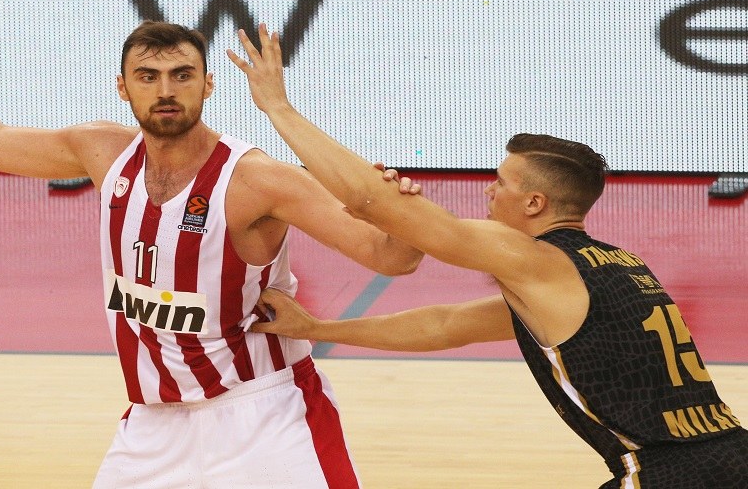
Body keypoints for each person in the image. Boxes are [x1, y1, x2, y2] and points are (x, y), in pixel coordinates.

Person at [0, 0, 423, 488]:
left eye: (182, 76)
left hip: (264, 414)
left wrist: (402, 212)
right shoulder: (102, 152)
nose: (165, 91)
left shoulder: (256, 180)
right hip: (153, 425)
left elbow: (391, 257)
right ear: (123, 87)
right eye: (148, 77)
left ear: (208, 85)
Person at [227, 25, 748, 488]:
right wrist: (319, 329)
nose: (488, 191)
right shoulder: (616, 267)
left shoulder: (537, 259)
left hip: (670, 471)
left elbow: (371, 202)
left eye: (500, 182)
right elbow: (446, 324)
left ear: (534, 204)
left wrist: (278, 109)